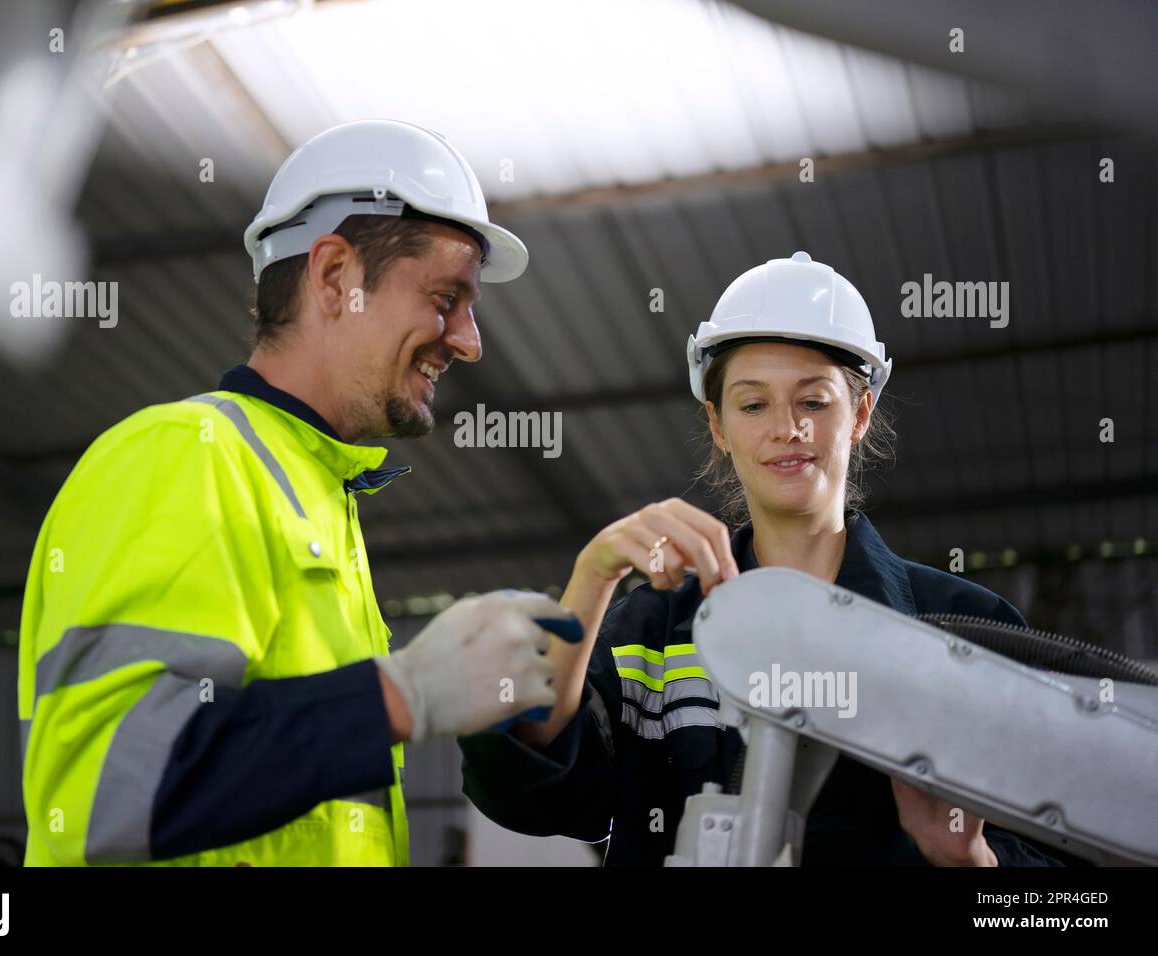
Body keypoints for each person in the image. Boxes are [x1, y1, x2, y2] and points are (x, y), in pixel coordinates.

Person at [17, 119, 578, 866]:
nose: (469, 340)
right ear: (335, 275)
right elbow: (103, 793)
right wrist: (398, 694)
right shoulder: (188, 455)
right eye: (447, 296)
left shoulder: (319, 493)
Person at [459, 251, 1075, 867]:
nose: (787, 429)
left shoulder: (962, 628)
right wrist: (593, 575)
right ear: (719, 424)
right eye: (753, 405)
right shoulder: (647, 635)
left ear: (859, 414)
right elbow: (535, 796)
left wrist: (968, 860)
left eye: (814, 402)